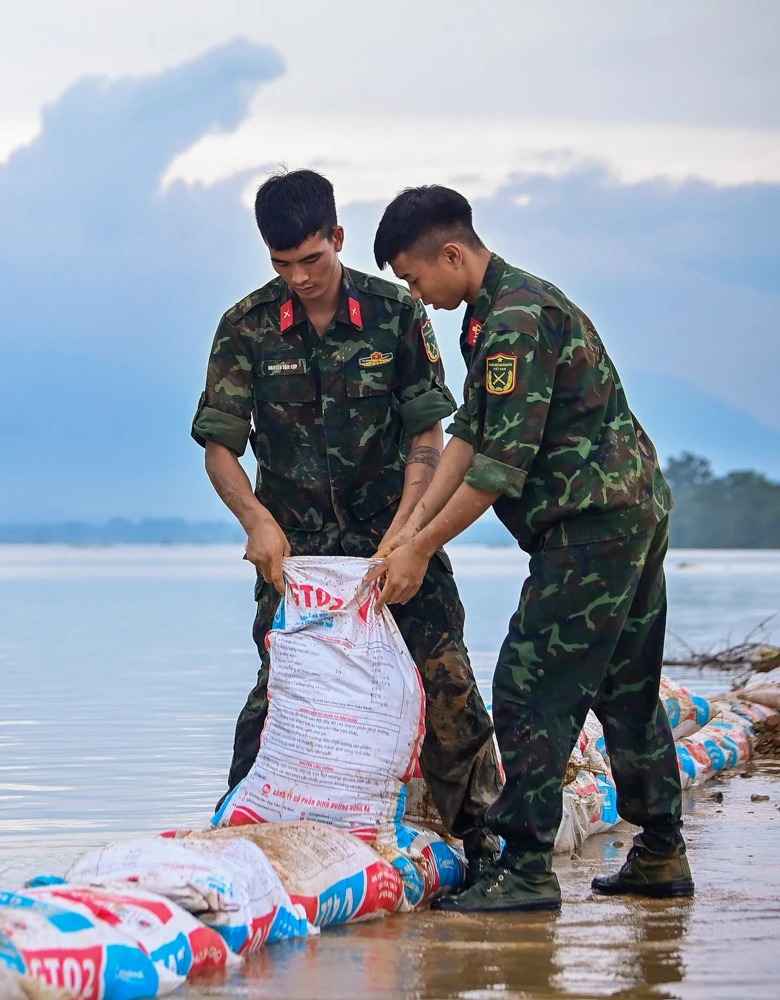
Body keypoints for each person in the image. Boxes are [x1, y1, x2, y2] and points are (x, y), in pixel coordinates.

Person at [367, 185, 690, 912]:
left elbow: (494, 472)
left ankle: (524, 869)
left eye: (416, 279)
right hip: (628, 513)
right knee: (626, 688)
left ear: (451, 253)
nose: (416, 295)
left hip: (593, 526)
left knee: (528, 688)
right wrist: (409, 527)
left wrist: (420, 551)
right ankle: (662, 850)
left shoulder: (515, 322)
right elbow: (468, 437)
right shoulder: (492, 315)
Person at [191, 169, 502, 885]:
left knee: (445, 681)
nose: (299, 277)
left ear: (337, 238)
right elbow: (220, 449)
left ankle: (485, 847)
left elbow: (429, 435)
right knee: (279, 693)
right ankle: (245, 847)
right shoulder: (245, 326)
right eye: (282, 264)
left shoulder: (397, 313)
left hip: (393, 537)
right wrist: (256, 521)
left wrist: (406, 537)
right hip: (296, 559)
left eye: (312, 259)